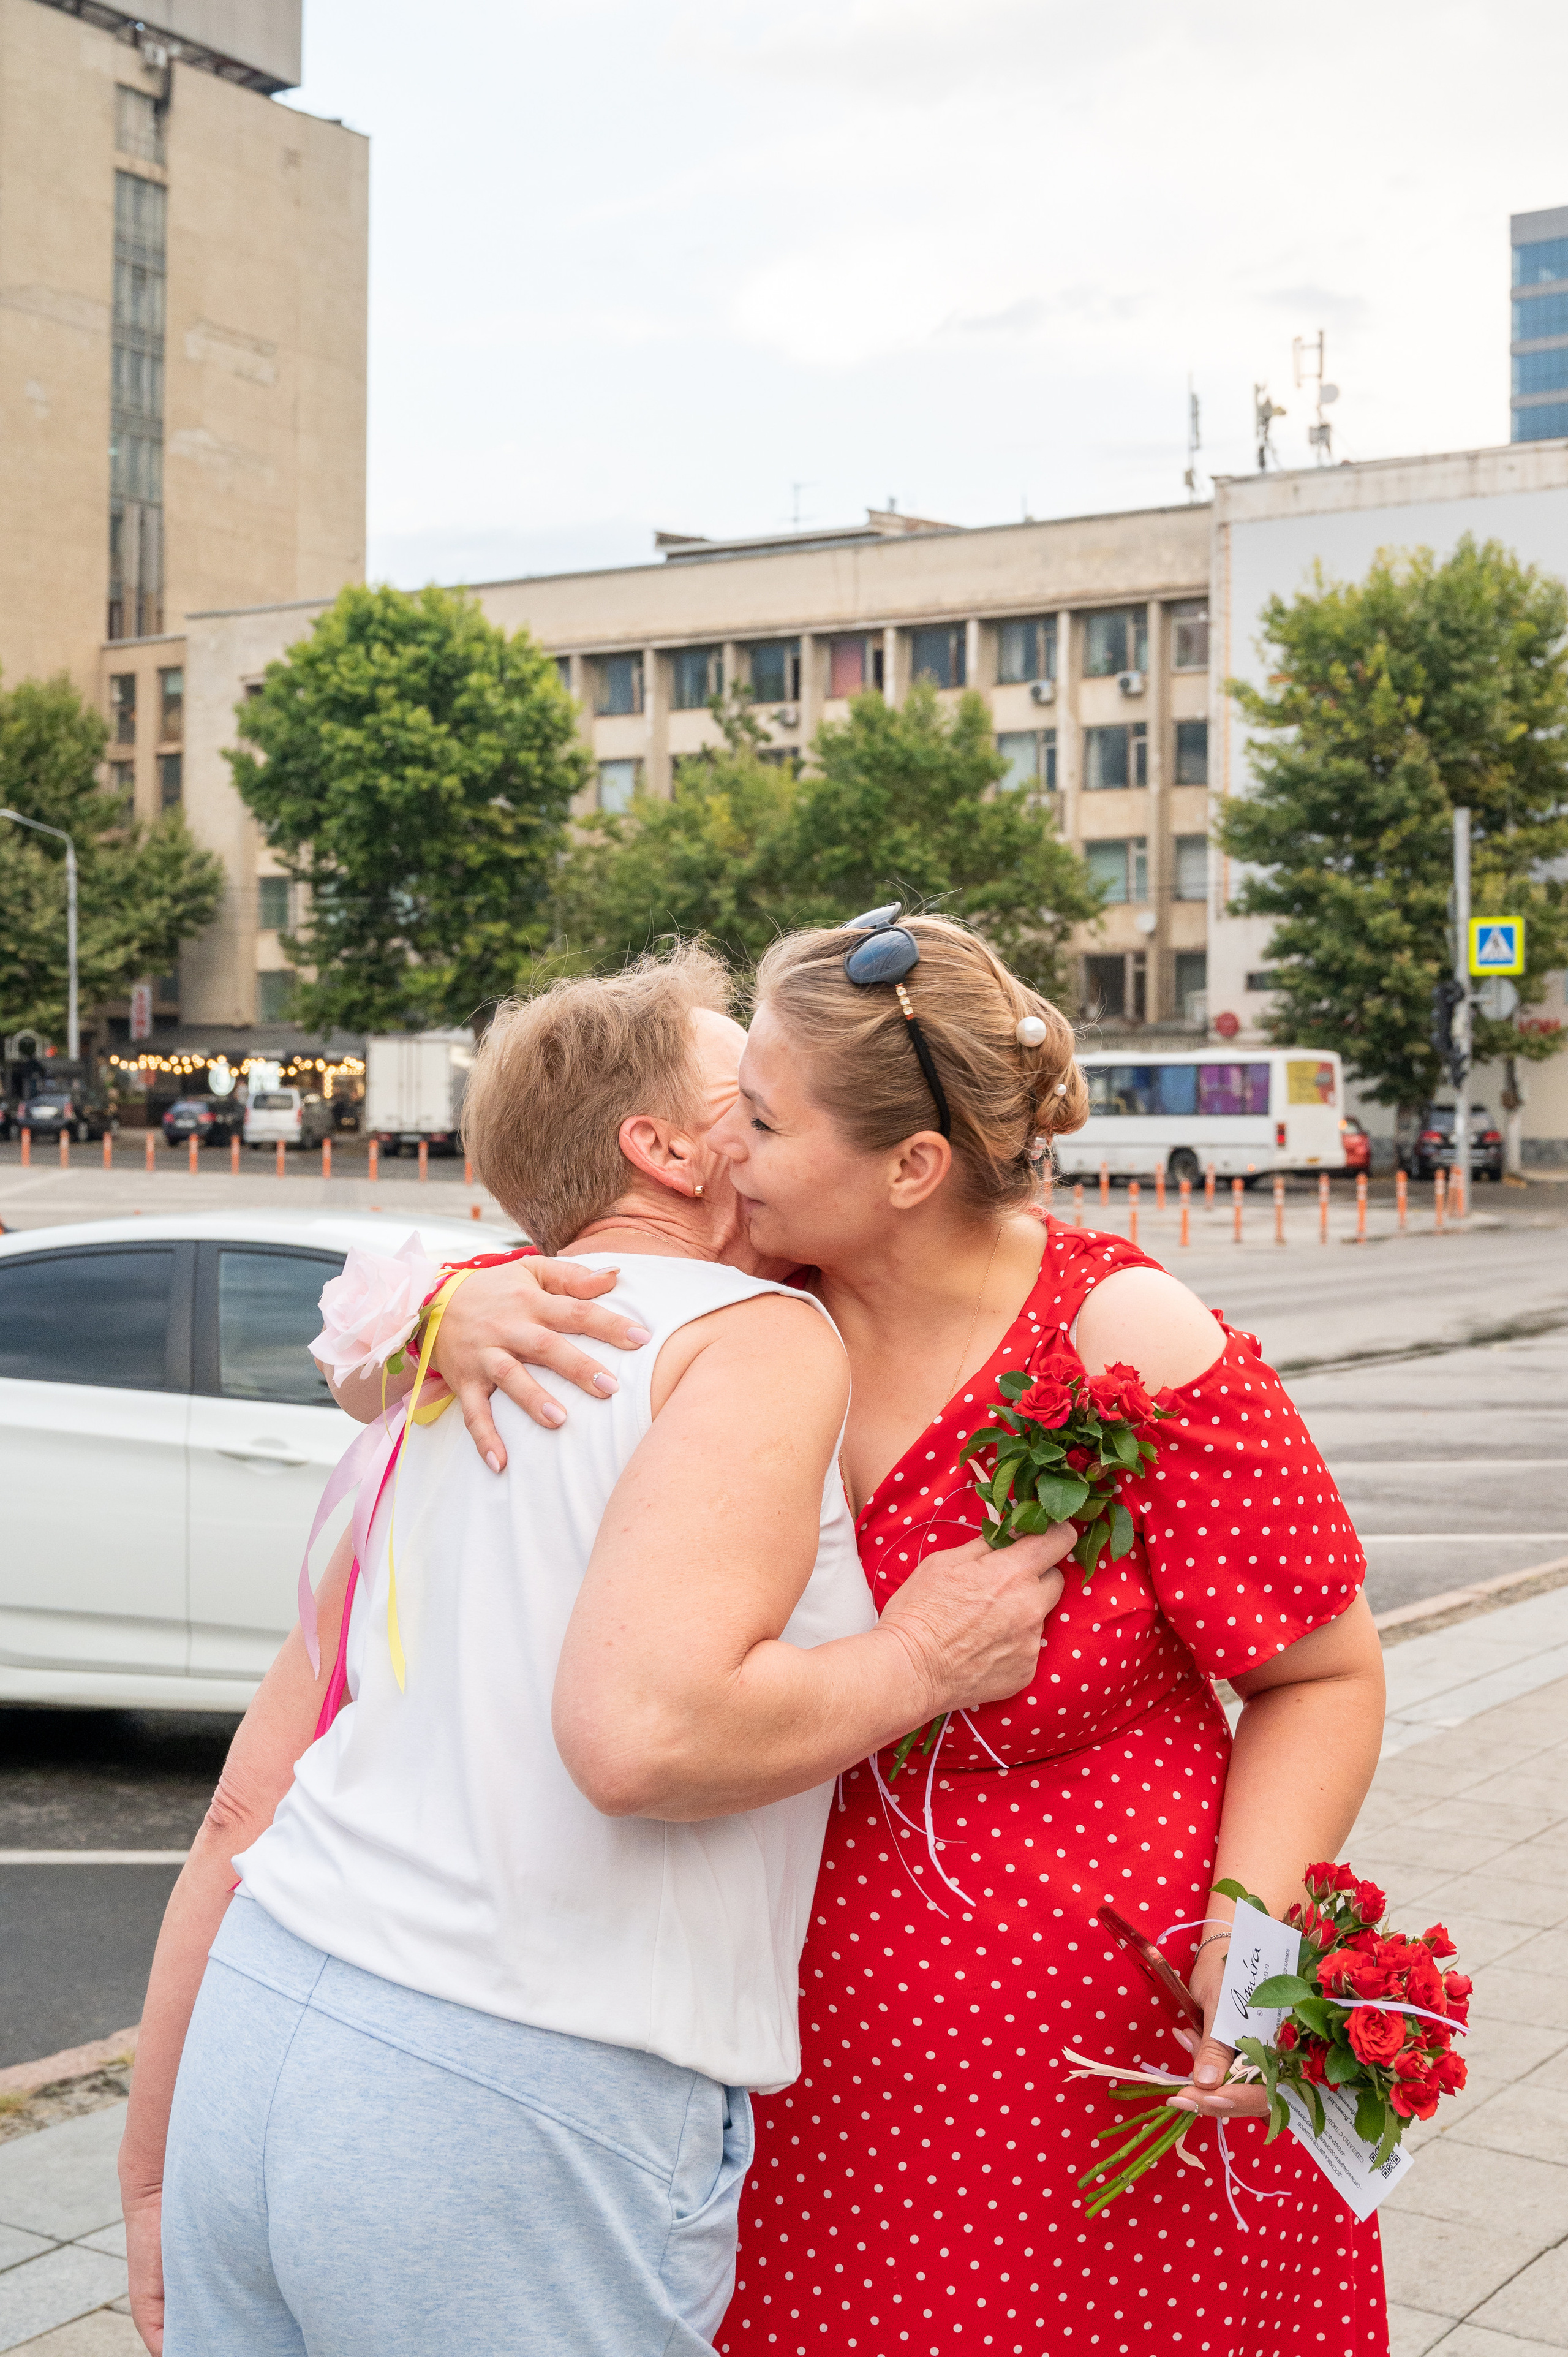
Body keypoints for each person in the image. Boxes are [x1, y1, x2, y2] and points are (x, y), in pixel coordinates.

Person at [411, 912, 1390, 2357]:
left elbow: (1322, 1671)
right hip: (802, 2081)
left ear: (909, 1167)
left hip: (1107, 2077)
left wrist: (1245, 1953)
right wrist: (444, 1309)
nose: (720, 1147)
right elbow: (416, 1306)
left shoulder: (1123, 1332)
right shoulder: (743, 1294)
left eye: (759, 1116)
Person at [118, 945, 1073, 2357]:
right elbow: (646, 1736)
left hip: (263, 2024)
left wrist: (147, 2173)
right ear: (667, 1149)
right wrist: (925, 1656)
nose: (767, 1110)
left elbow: (245, 1806)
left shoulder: (441, 1365)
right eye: (742, 1094)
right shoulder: (751, 1331)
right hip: (510, 2092)